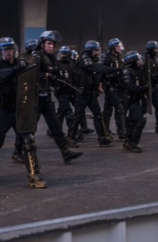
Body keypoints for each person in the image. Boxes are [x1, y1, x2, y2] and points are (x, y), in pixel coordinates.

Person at [0, 37, 47, 187]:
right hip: (3, 108)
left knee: (28, 140)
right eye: (5, 49)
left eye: (10, 49)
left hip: (20, 107)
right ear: (0, 51)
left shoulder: (21, 62)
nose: (8, 52)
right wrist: (16, 69)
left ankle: (34, 174)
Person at [32, 31, 82, 162]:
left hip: (46, 95)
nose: (51, 46)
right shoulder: (36, 56)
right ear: (42, 44)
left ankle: (65, 152)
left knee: (55, 124)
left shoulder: (52, 58)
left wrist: (57, 80)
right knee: (30, 126)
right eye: (48, 43)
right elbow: (32, 74)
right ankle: (18, 150)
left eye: (53, 44)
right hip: (36, 97)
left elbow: (55, 74)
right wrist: (47, 76)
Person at [72, 40, 120, 147]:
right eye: (95, 50)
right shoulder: (85, 58)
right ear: (89, 50)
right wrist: (113, 70)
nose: (97, 52)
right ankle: (71, 137)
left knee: (98, 114)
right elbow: (95, 68)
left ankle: (102, 137)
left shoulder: (93, 59)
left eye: (97, 50)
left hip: (91, 91)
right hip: (82, 91)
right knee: (78, 115)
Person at [121, 51, 149, 153]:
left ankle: (128, 141)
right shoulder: (126, 71)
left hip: (135, 99)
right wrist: (143, 88)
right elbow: (131, 87)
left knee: (132, 121)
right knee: (140, 120)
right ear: (132, 61)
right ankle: (133, 143)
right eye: (137, 60)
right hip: (129, 100)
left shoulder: (137, 70)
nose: (139, 61)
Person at [103, 38, 127, 140]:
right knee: (119, 108)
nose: (119, 48)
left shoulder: (120, 56)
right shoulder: (107, 58)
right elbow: (103, 71)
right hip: (110, 86)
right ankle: (122, 131)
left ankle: (106, 130)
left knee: (108, 109)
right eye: (117, 46)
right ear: (112, 47)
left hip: (119, 86)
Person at [55, 46, 77, 145]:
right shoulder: (57, 65)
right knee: (68, 112)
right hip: (61, 91)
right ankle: (70, 136)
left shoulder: (73, 64)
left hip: (71, 91)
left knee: (62, 112)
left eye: (64, 54)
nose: (62, 55)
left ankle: (55, 131)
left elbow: (75, 78)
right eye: (61, 53)